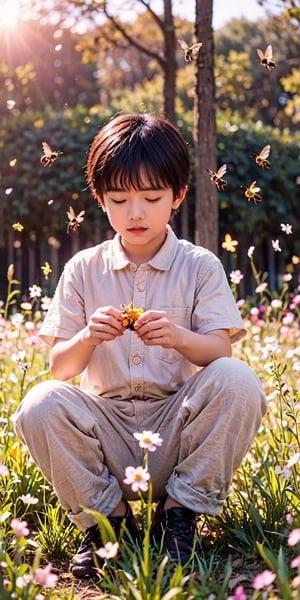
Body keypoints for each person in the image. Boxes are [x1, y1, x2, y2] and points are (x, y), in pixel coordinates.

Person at [14, 112, 267, 578]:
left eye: (151, 198)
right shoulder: (83, 269)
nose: (135, 212)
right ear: (100, 199)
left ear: (178, 196)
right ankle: (107, 524)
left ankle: (179, 516)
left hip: (175, 430)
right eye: (119, 198)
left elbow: (220, 353)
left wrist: (179, 338)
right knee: (39, 404)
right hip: (107, 433)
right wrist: (89, 335)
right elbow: (60, 369)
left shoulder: (200, 266)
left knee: (239, 381)